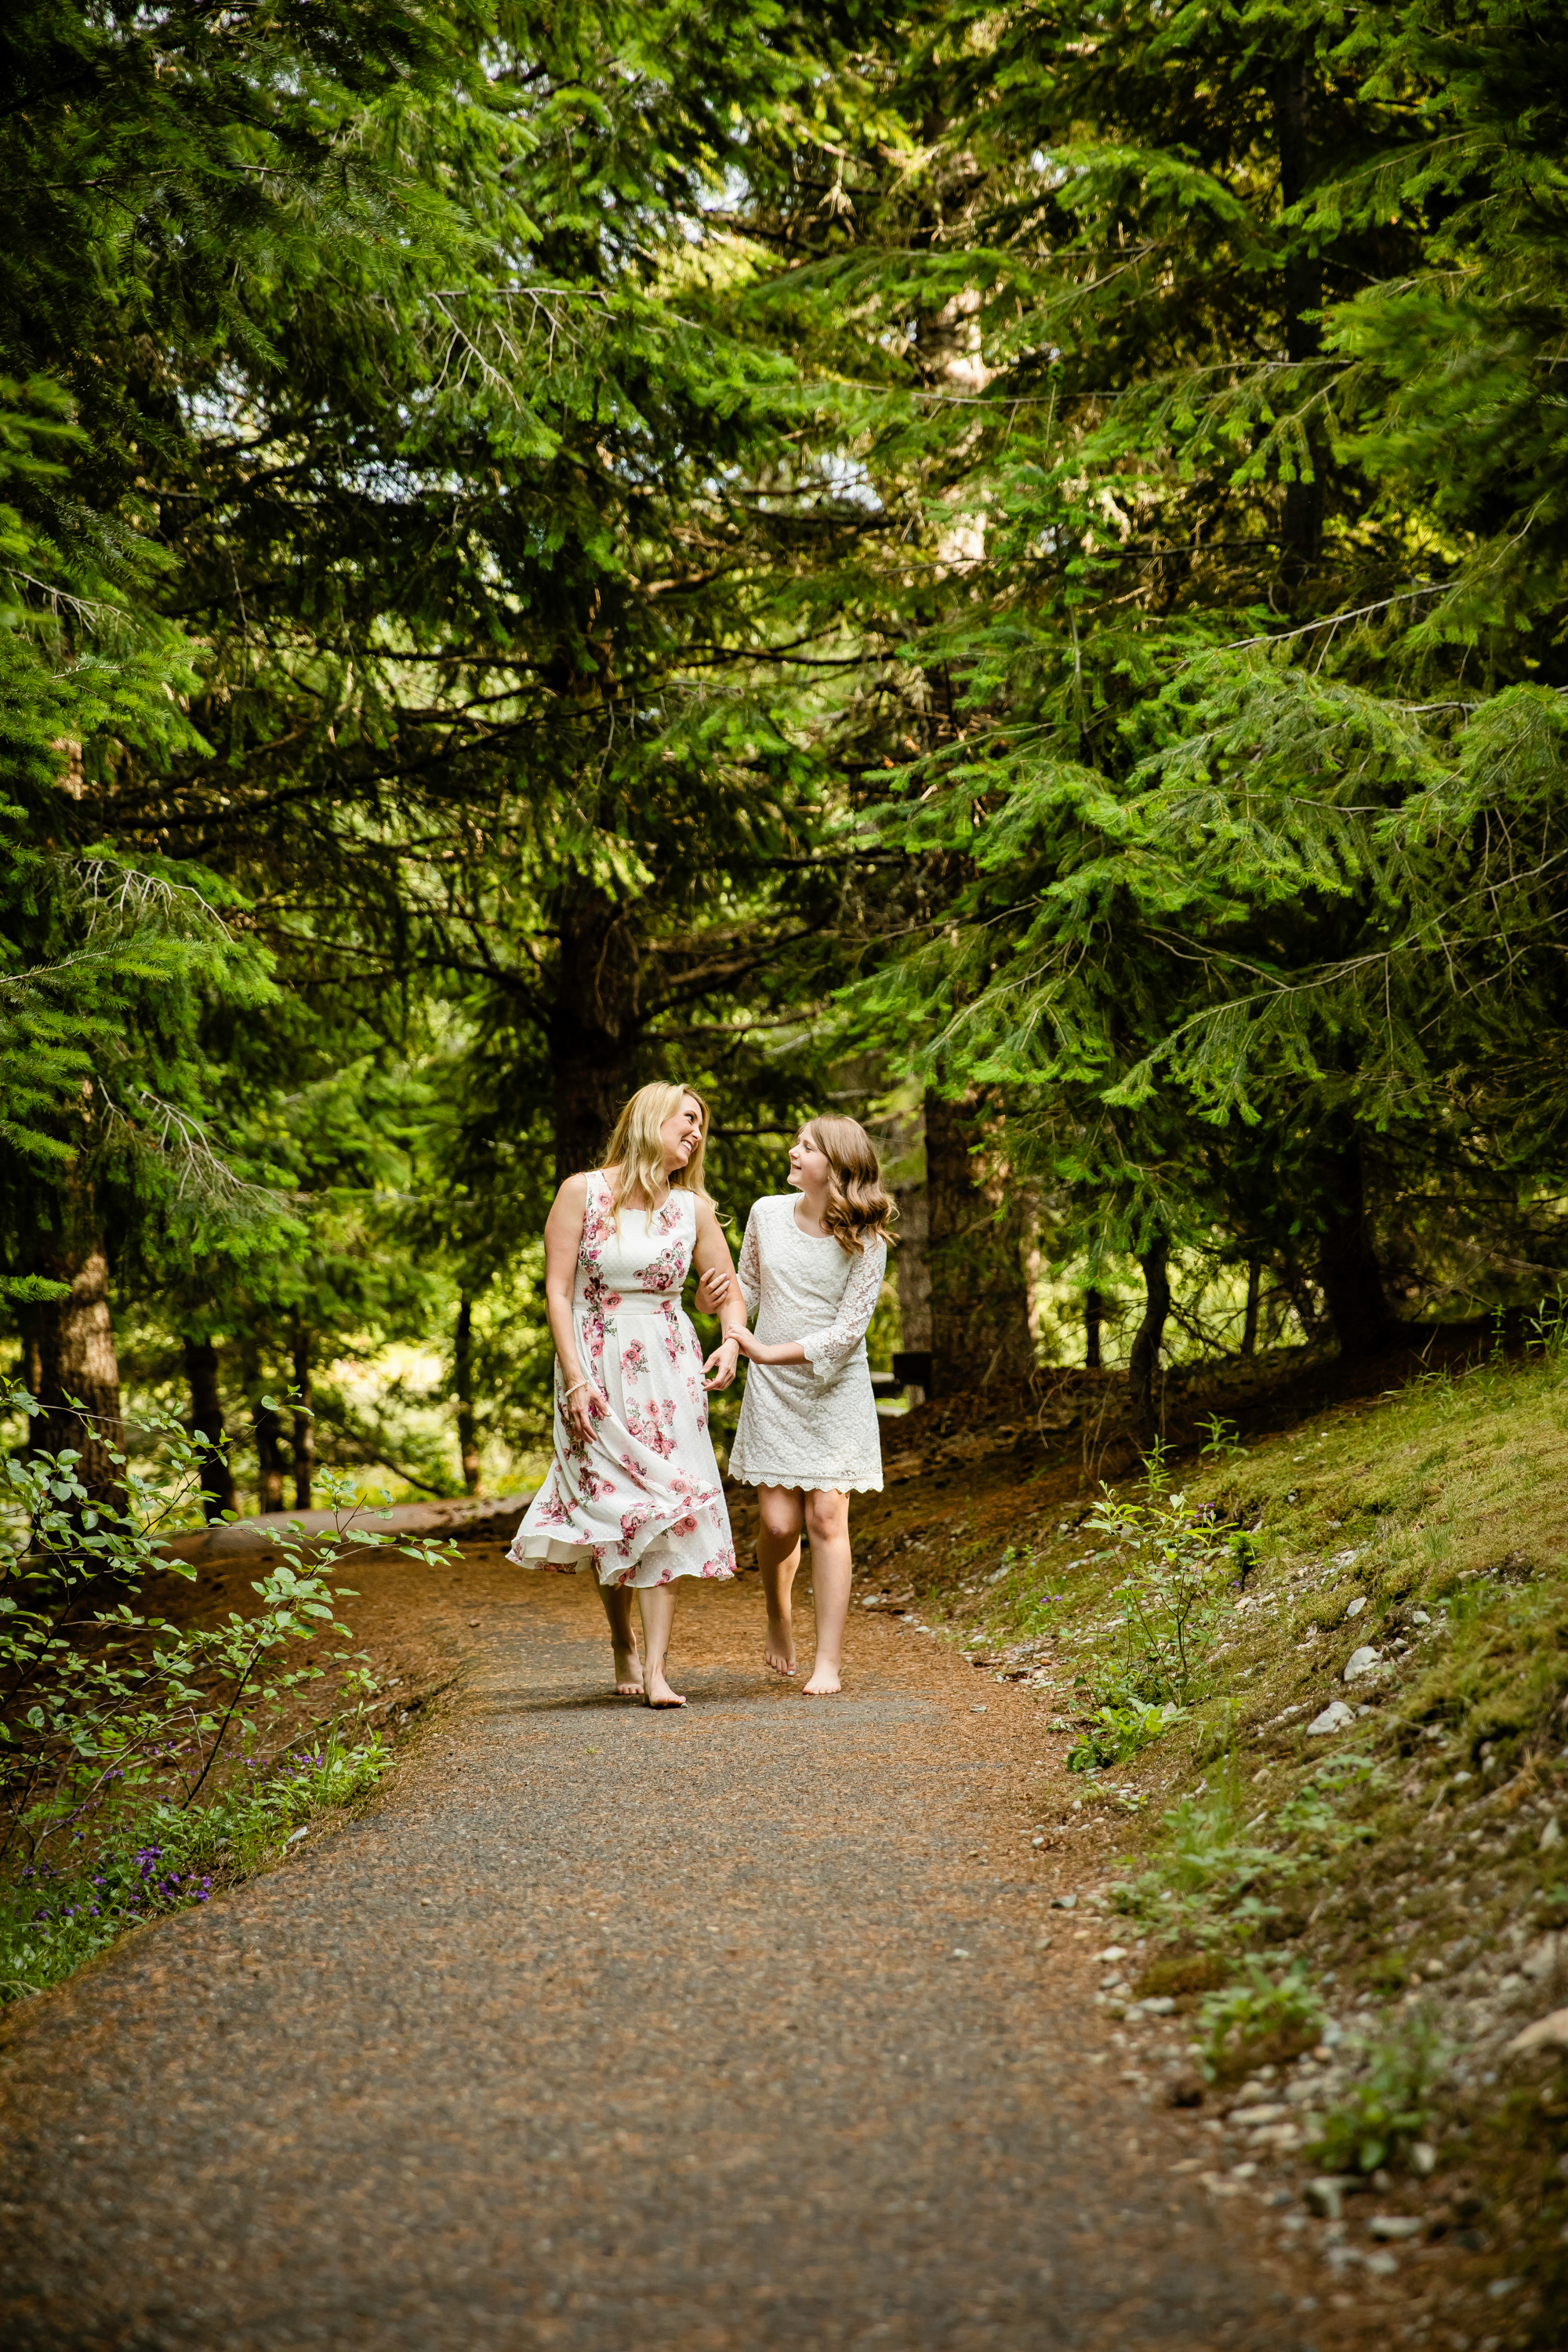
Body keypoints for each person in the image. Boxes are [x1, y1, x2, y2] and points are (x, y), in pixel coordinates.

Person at [508, 1083, 746, 1708]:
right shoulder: (582, 1193)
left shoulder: (692, 1208)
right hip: (595, 1364)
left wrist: (729, 1338)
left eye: (702, 1125)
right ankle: (622, 1641)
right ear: (651, 1119)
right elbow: (558, 1292)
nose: (697, 1133)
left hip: (668, 1367)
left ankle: (660, 1670)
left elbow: (726, 1290)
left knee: (664, 1506)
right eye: (688, 1120)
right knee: (614, 1510)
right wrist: (577, 1378)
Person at [706, 1116, 895, 1696]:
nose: (793, 1150)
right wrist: (733, 1341)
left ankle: (829, 1663)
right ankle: (777, 1610)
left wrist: (763, 1350)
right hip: (773, 1388)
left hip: (836, 1391)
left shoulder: (868, 1239)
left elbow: (846, 1336)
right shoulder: (765, 1214)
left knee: (826, 1518)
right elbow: (745, 1294)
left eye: (806, 1146)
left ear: (835, 1168)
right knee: (778, 1524)